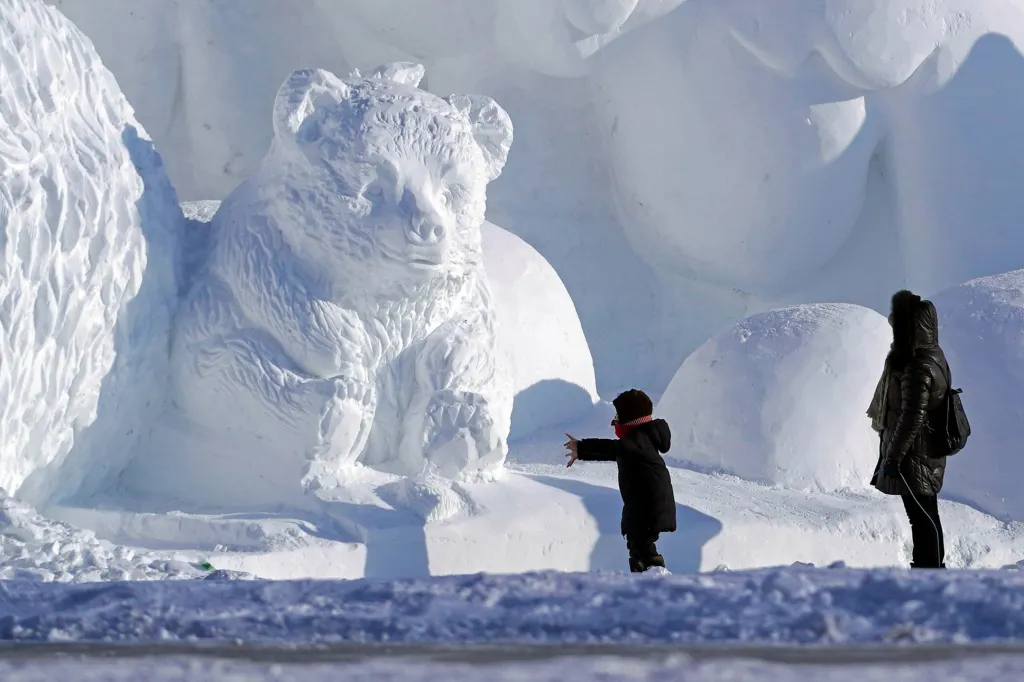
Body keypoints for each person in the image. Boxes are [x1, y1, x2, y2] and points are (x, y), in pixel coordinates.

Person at [867, 290, 951, 569]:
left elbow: (912, 416)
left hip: (915, 454)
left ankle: (929, 571)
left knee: (922, 516)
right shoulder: (933, 356)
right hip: (922, 451)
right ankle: (931, 568)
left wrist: (893, 457)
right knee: (926, 514)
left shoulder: (918, 367)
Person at [564, 388, 677, 573]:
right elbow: (618, 451)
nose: (613, 421)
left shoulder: (638, 440)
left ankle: (651, 575)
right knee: (639, 543)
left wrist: (582, 448)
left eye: (618, 415)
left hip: (648, 507)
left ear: (630, 420)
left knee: (640, 547)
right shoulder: (643, 440)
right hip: (647, 505)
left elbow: (613, 448)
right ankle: (651, 574)